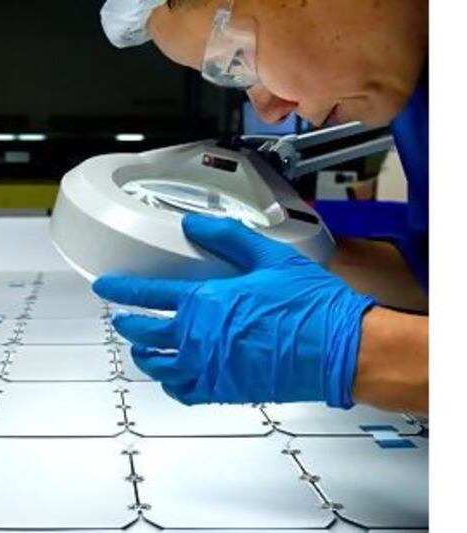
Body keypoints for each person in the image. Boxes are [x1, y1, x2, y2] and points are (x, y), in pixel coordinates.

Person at [93, 0, 428, 414]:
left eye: (237, 60)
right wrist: (307, 257)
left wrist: (362, 352)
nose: (270, 112)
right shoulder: (417, 91)